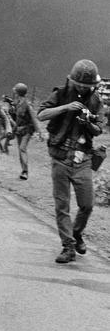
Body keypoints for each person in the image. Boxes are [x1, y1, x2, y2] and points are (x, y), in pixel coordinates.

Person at [37, 59, 104, 264]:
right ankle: (68, 247)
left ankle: (76, 233)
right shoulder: (60, 94)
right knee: (62, 205)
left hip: (82, 158)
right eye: (80, 84)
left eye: (87, 85)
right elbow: (41, 114)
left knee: (87, 205)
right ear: (72, 80)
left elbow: (99, 128)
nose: (83, 88)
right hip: (60, 157)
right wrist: (66, 107)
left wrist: (88, 122)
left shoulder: (96, 101)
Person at [10, 83, 44, 180]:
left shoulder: (27, 105)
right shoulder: (16, 103)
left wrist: (39, 132)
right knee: (20, 151)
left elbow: (34, 118)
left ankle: (25, 171)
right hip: (19, 130)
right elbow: (15, 118)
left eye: (15, 92)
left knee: (22, 148)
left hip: (27, 130)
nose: (14, 94)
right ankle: (23, 171)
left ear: (18, 93)